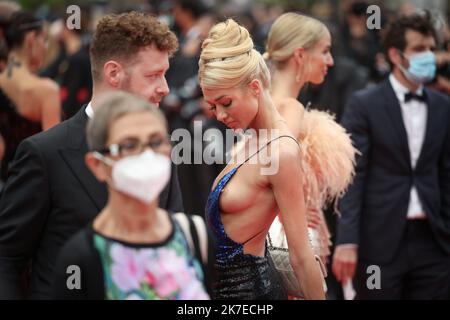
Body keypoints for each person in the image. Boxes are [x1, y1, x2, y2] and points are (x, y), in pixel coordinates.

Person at [0, 11, 183, 299]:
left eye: (165, 74)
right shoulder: (44, 154)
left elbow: (173, 249)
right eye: (153, 75)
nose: (165, 88)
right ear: (113, 73)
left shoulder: (161, 151)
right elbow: (7, 258)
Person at [199, 18, 325, 300]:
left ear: (255, 88)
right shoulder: (251, 139)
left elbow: (302, 257)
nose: (219, 115)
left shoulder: (281, 150)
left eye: (226, 102)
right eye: (212, 106)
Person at [333, 11, 450, 299]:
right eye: (420, 49)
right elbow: (353, 175)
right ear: (396, 56)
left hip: (433, 241)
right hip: (379, 241)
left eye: (432, 49)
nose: (429, 56)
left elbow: (446, 172)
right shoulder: (364, 104)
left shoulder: (442, 105)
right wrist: (347, 241)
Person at [52, 92, 209, 300]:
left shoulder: (194, 235)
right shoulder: (81, 257)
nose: (146, 155)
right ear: (97, 164)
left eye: (156, 142)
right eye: (129, 146)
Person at [264, 12, 357, 270]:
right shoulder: (289, 109)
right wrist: (296, 210)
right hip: (287, 236)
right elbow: (276, 170)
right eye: (325, 51)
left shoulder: (269, 103)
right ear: (300, 55)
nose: (331, 60)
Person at [0, 11, 61, 180]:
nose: (45, 48)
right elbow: (54, 150)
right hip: (34, 183)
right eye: (44, 41)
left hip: (5, 183)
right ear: (31, 39)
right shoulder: (46, 90)